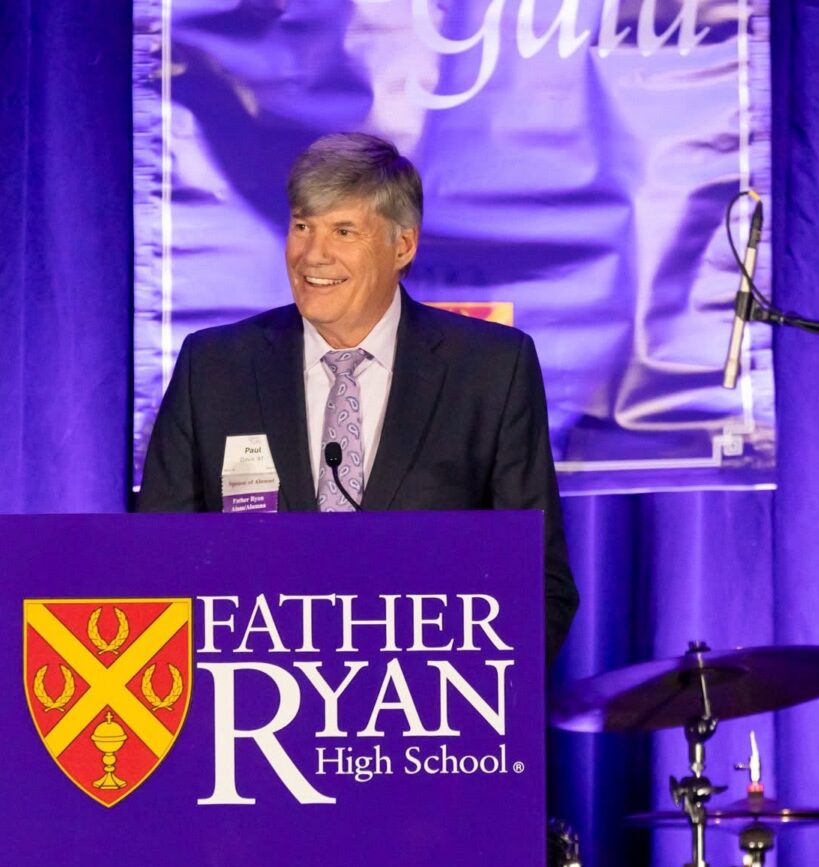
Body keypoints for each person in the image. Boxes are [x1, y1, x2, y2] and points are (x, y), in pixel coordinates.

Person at [138, 131, 578, 660]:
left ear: (403, 245)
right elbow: (157, 566)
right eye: (302, 226)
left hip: (427, 719)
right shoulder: (214, 368)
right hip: (251, 713)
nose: (312, 255)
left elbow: (537, 583)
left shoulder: (489, 370)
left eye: (343, 231)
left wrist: (483, 694)